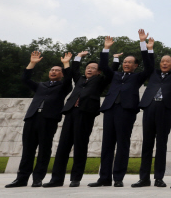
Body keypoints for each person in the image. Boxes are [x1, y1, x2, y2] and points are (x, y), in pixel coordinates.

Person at [43, 47, 120, 187]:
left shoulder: (100, 81)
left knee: (80, 146)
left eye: (93, 68)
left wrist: (115, 58)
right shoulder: (79, 79)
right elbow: (73, 71)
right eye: (88, 67)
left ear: (98, 71)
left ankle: (75, 178)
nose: (89, 69)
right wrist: (78, 57)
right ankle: (56, 179)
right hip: (71, 112)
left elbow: (111, 73)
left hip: (86, 114)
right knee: (63, 147)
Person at [88, 30, 155, 188]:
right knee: (107, 145)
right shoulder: (115, 75)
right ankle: (104, 178)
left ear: (135, 65)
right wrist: (106, 49)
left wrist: (143, 44)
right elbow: (103, 66)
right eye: (125, 62)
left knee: (122, 144)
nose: (126, 64)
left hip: (126, 111)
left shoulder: (138, 77)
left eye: (130, 62)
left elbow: (150, 66)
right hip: (110, 109)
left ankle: (118, 177)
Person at [131, 33, 171, 188]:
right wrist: (145, 45)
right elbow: (147, 61)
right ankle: (144, 178)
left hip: (165, 111)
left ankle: (159, 178)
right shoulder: (153, 73)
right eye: (162, 61)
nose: (164, 63)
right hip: (150, 109)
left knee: (162, 145)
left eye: (168, 62)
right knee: (147, 145)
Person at [5, 52, 73, 188]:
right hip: (32, 118)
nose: (54, 72)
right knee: (27, 150)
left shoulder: (64, 86)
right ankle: (22, 179)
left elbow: (69, 78)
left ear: (62, 74)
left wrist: (66, 63)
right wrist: (32, 63)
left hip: (49, 120)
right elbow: (25, 79)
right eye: (52, 70)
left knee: (44, 150)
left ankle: (38, 178)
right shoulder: (40, 86)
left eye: (57, 70)